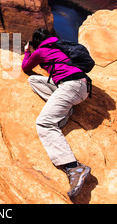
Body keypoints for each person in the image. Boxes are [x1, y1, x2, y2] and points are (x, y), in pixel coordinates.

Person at [22, 28, 91, 199]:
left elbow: (26, 67)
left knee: (44, 123)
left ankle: (73, 167)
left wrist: (26, 52)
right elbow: (32, 74)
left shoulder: (40, 51)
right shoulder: (59, 46)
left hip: (71, 87)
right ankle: (65, 109)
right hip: (82, 86)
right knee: (34, 80)